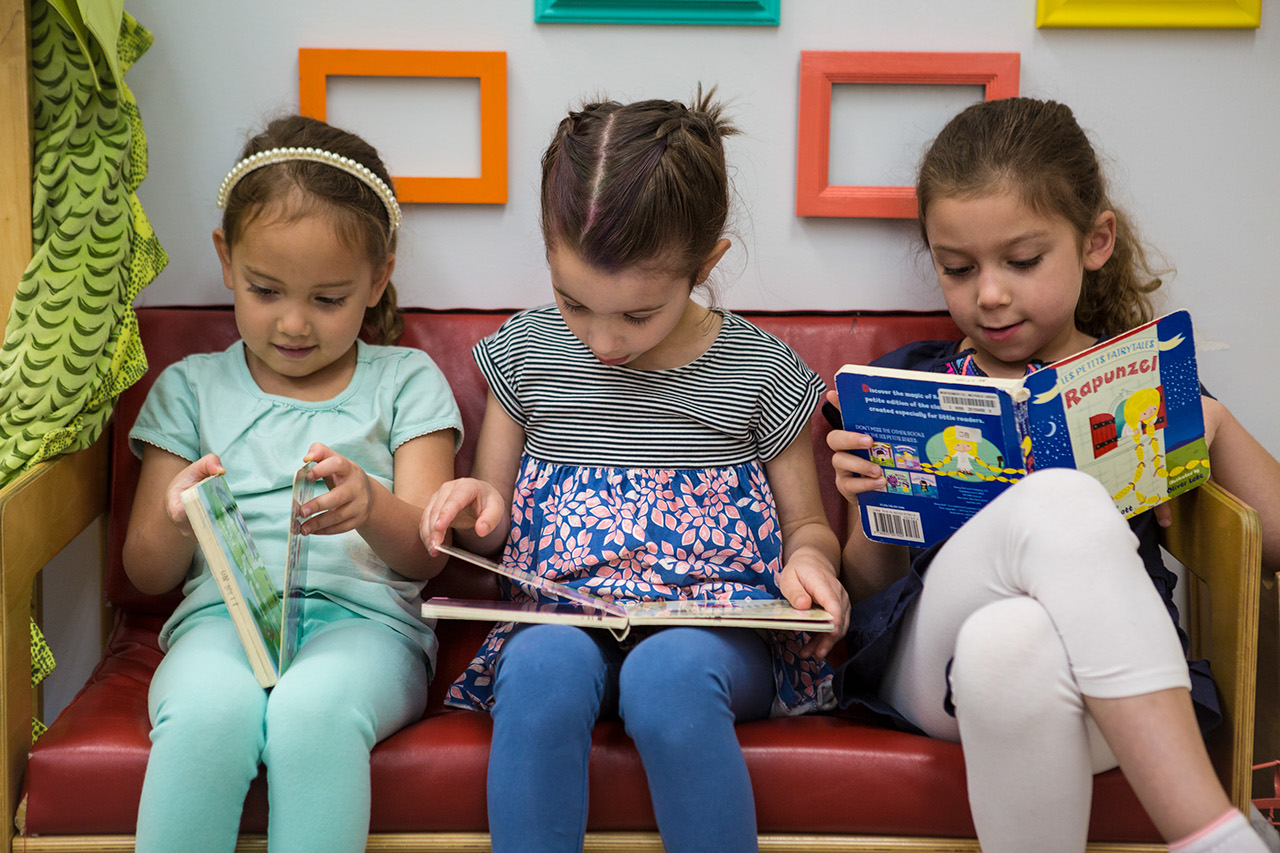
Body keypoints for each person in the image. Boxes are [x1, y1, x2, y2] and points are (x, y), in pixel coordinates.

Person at [826, 96, 1280, 853]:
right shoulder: (905, 381)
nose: (990, 294)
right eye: (958, 268)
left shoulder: (1137, 388)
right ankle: (1215, 837)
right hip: (927, 662)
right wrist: (867, 501)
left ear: (1095, 240)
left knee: (1014, 643)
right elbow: (869, 588)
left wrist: (1215, 424)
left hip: (1108, 687)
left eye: (1023, 261)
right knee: (1060, 501)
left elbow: (1273, 542)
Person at [419, 89, 849, 853]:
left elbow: (808, 525)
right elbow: (490, 534)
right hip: (560, 622)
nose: (602, 339)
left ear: (705, 263)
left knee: (670, 676)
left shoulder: (759, 371)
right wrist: (471, 506)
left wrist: (813, 563)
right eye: (573, 302)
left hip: (713, 636)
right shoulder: (528, 354)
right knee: (542, 668)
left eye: (637, 314)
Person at [122, 115, 462, 853]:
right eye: (266, 289)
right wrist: (177, 518)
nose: (294, 323)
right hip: (222, 625)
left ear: (378, 279)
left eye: (329, 298)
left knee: (312, 711)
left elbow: (429, 556)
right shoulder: (192, 388)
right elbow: (144, 572)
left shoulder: (405, 382)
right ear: (226, 259)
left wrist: (372, 505)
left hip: (367, 631)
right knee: (209, 713)